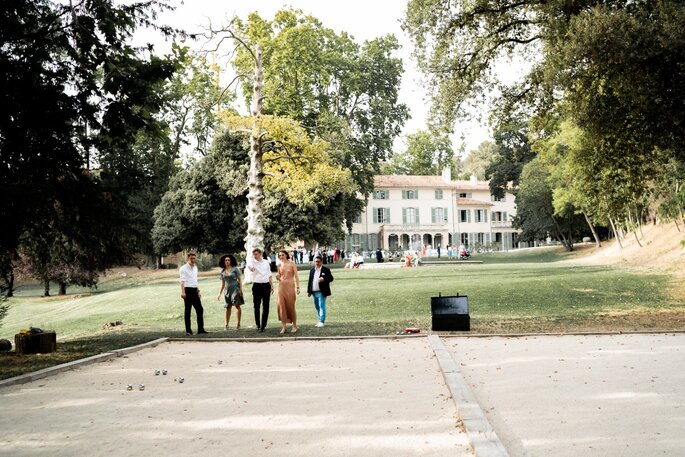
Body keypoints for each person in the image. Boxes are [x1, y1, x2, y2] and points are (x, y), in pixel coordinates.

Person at [179, 253, 208, 335]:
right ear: (188, 259)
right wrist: (183, 292)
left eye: (194, 258)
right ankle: (188, 331)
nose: (193, 260)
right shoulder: (183, 268)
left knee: (200, 309)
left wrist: (198, 291)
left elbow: (195, 280)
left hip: (194, 290)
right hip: (187, 290)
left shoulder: (195, 268)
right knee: (188, 311)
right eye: (191, 258)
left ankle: (200, 329)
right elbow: (182, 281)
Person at [246, 248, 274, 333]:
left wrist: (272, 285)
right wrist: (251, 268)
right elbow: (250, 266)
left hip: (266, 285)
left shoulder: (266, 262)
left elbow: (269, 274)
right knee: (256, 306)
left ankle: (263, 326)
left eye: (256, 254)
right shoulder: (251, 262)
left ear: (260, 254)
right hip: (256, 285)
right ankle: (258, 325)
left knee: (266, 306)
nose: (255, 256)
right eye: (254, 254)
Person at [217, 254, 243, 331]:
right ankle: (226, 324)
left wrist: (241, 290)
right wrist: (219, 293)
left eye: (228, 260)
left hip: (235, 289)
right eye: (226, 260)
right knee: (228, 307)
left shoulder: (235, 269)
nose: (227, 261)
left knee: (237, 306)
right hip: (227, 290)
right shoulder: (222, 271)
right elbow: (222, 284)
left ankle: (238, 324)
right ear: (224, 262)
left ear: (231, 261)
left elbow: (240, 280)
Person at [276, 250, 299, 334]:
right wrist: (277, 277)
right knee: (281, 306)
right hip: (281, 287)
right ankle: (283, 327)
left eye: (282, 255)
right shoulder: (279, 265)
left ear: (286, 255)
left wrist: (298, 287)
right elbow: (279, 277)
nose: (281, 256)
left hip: (290, 287)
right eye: (280, 255)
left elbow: (296, 276)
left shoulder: (292, 264)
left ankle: (294, 326)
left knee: (291, 306)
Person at [307, 255, 334, 327]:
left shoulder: (326, 270)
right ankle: (319, 320)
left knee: (321, 305)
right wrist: (309, 291)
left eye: (318, 262)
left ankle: (322, 321)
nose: (317, 263)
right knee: (317, 307)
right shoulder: (312, 270)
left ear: (321, 262)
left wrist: (324, 279)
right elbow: (310, 281)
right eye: (316, 261)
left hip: (322, 291)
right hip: (314, 291)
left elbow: (331, 278)